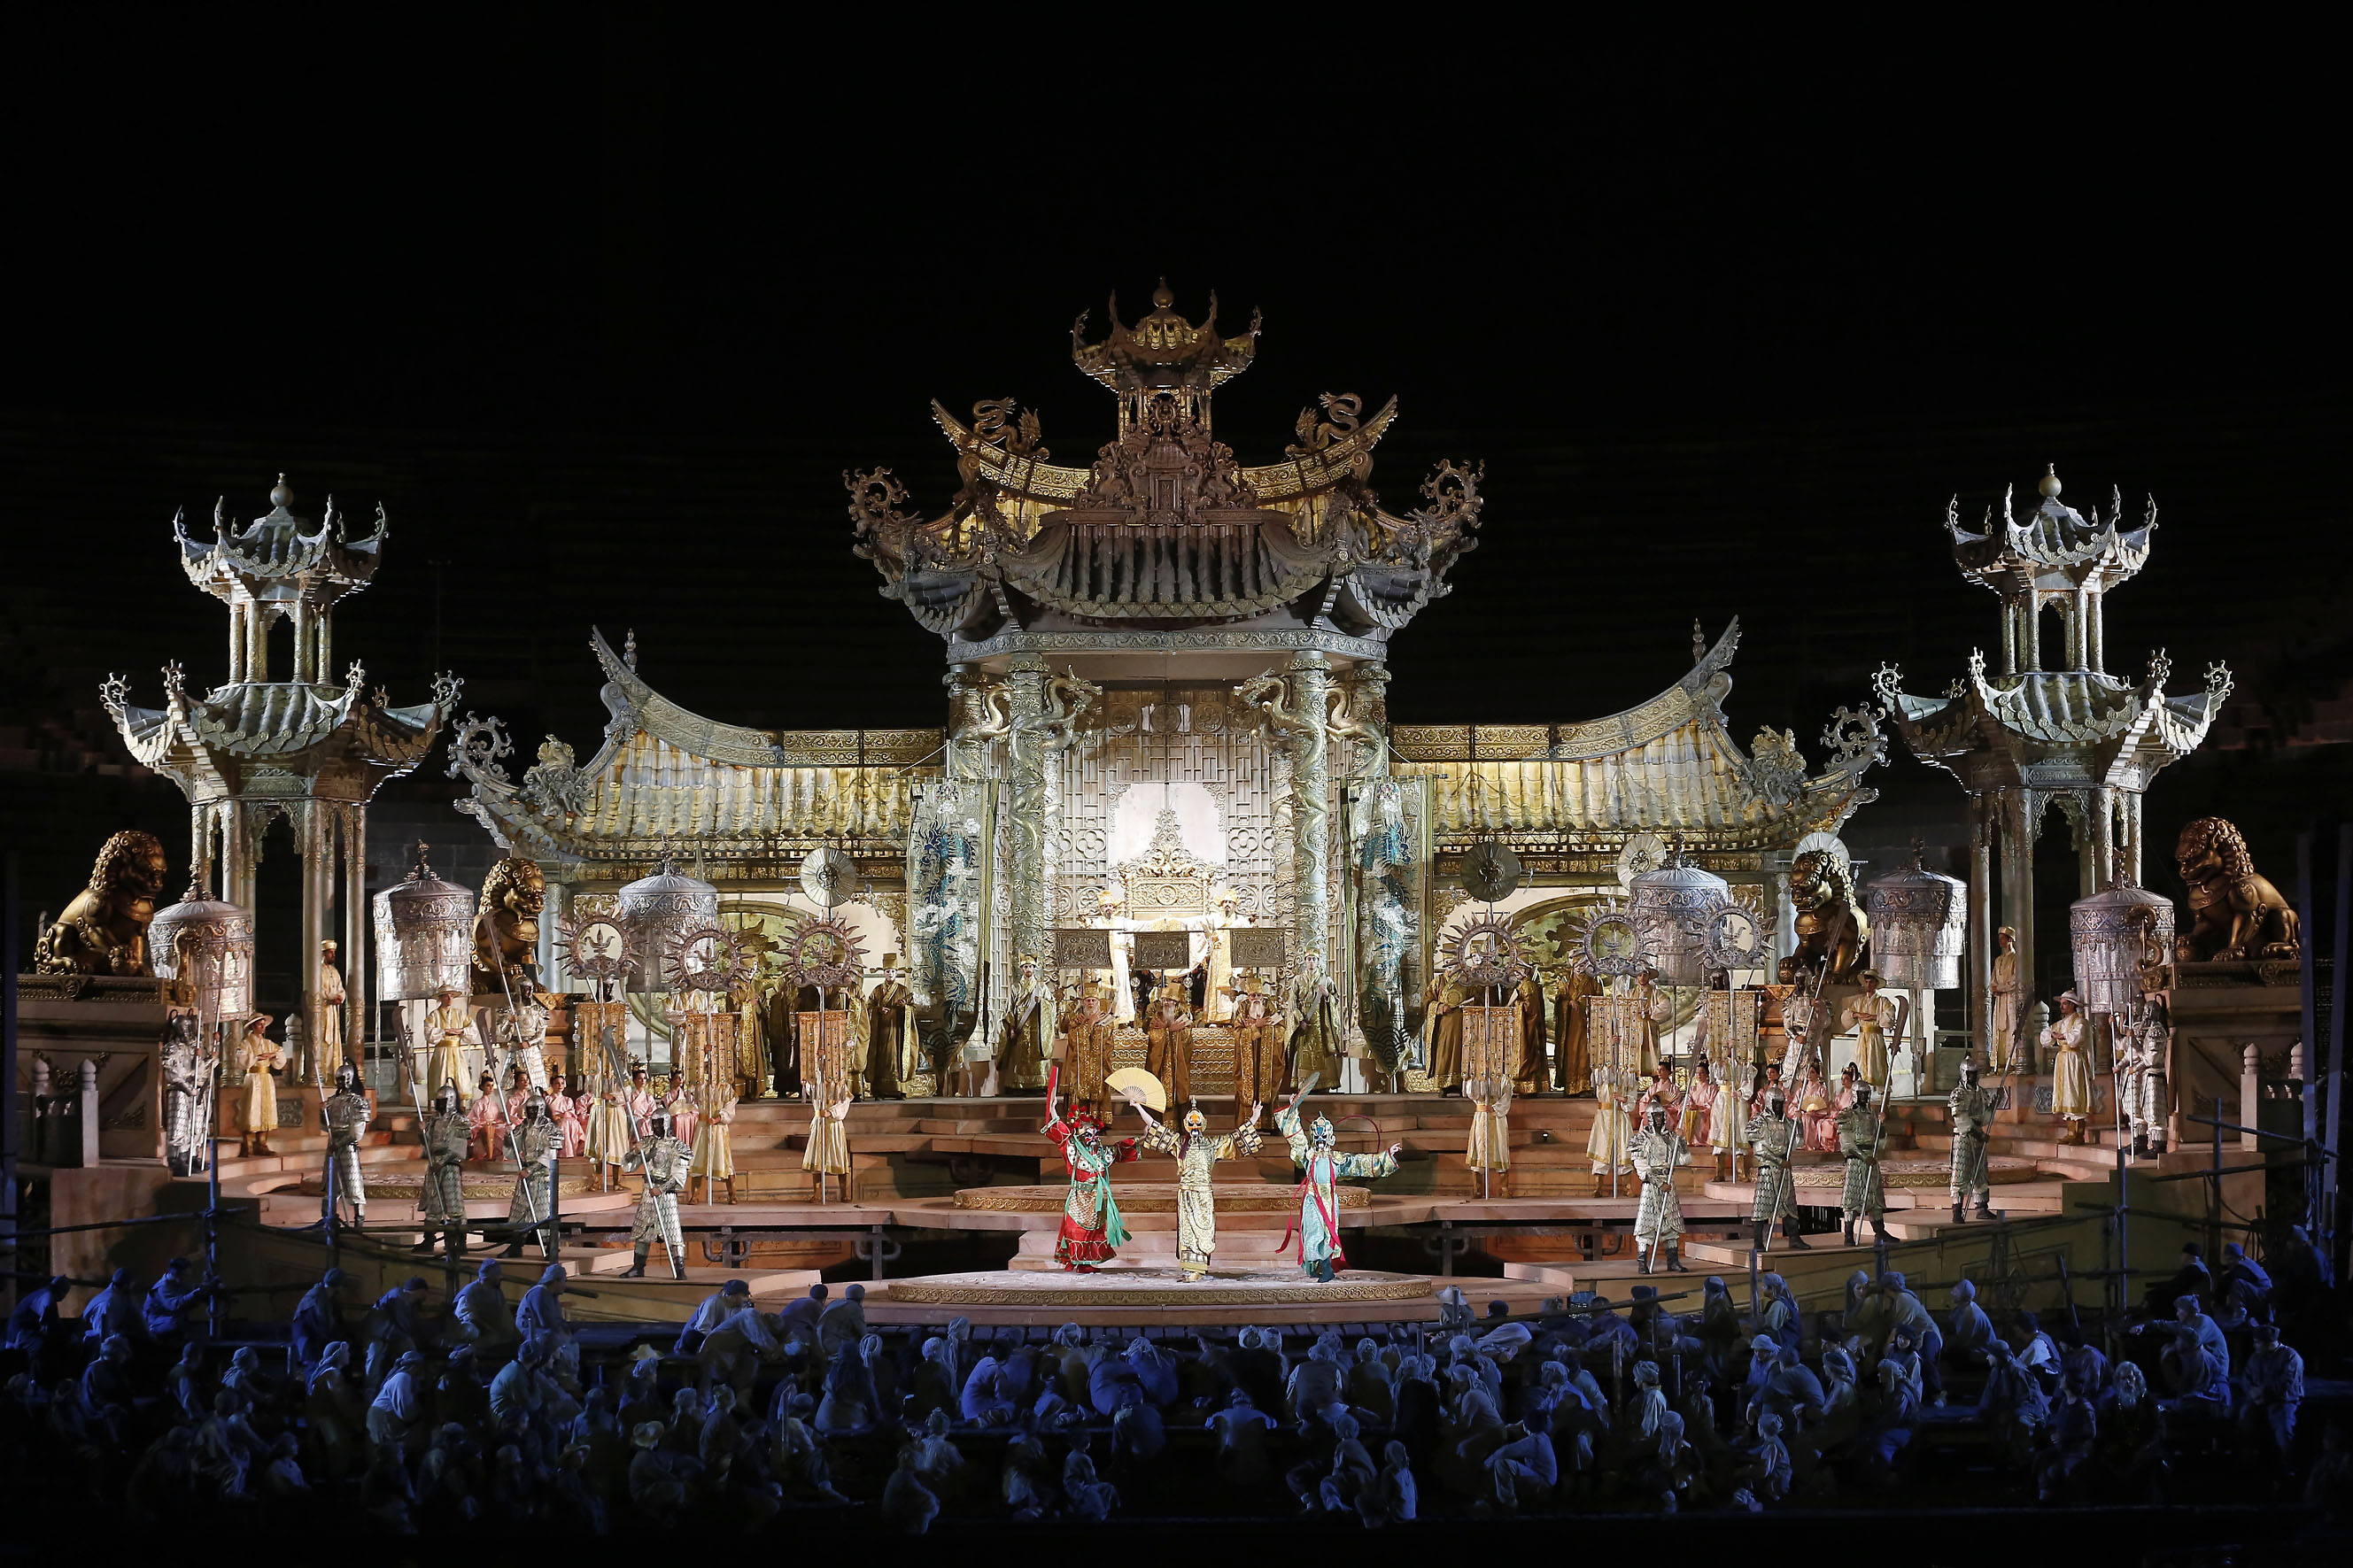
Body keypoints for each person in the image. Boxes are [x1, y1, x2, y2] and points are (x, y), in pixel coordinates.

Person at [1275, 1087, 1402, 1281]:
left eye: (1324, 1138)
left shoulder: (1337, 1160)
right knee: (1313, 1233)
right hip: (1312, 1200)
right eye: (1317, 1138)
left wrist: (1386, 1156)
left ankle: (1325, 1265)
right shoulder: (1309, 1156)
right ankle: (1317, 1264)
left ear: (1331, 1139)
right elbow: (1296, 1138)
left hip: (1329, 1202)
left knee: (1328, 1235)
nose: (1320, 1142)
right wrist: (1293, 1110)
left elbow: (1360, 1163)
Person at [1132, 1099, 1263, 1279]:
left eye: (1198, 1123)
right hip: (1186, 1193)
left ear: (1204, 1124)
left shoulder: (1213, 1144)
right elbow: (1154, 1126)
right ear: (1186, 1125)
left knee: (1203, 1229)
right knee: (1188, 1232)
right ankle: (1192, 1269)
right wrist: (1139, 1107)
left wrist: (1255, 1117)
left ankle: (1200, 1269)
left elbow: (1236, 1137)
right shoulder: (1178, 1143)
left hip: (1204, 1194)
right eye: (1191, 1123)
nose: (1195, 1126)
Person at [1042, 1070, 1140, 1271]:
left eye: (1092, 1129)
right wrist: (1053, 1110)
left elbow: (1121, 1150)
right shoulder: (1072, 1147)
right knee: (1074, 1227)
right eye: (1085, 1128)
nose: (1090, 1132)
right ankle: (1073, 1259)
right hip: (1079, 1195)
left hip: (1095, 1197)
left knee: (1094, 1230)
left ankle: (1086, 1262)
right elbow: (1060, 1131)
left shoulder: (1102, 1152)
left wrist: (1146, 1139)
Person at [622, 1108, 691, 1278]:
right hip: (648, 1193)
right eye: (653, 1123)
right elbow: (627, 1165)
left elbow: (679, 1176)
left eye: (659, 1123)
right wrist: (635, 1151)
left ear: (666, 1123)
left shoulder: (677, 1146)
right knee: (642, 1232)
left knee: (673, 1232)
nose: (655, 1127)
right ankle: (638, 1267)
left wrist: (661, 1189)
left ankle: (679, 1268)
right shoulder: (647, 1142)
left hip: (665, 1195)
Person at [414, 1080, 471, 1259]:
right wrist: (423, 1132)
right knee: (433, 1204)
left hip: (449, 1165)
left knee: (454, 1206)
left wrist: (444, 1161)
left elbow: (459, 1148)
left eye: (442, 1101)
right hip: (434, 1165)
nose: (439, 1105)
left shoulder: (459, 1121)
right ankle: (428, 1240)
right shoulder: (433, 1120)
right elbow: (427, 1143)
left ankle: (459, 1242)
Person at [501, 1089, 559, 1259]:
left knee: (542, 1213)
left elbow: (550, 1153)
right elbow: (513, 1149)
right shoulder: (524, 1127)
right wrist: (508, 1136)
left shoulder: (550, 1128)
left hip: (541, 1175)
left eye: (535, 1110)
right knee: (519, 1212)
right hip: (525, 1174)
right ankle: (516, 1245)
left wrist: (532, 1169)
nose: (532, 1113)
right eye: (529, 1110)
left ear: (541, 1109)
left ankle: (550, 1247)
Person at [1947, 1055, 2006, 1222]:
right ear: (1963, 1073)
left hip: (1978, 1138)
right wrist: (1977, 1133)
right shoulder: (1958, 1094)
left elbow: (1983, 1117)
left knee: (1980, 1174)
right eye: (1969, 1073)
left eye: (1974, 1073)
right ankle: (1957, 1211)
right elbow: (1960, 1118)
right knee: (1960, 1174)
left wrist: (1994, 1105)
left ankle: (1981, 1208)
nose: (1972, 1076)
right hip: (1964, 1138)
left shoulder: (1981, 1093)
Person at [1631, 1102, 1687, 1273]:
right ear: (1649, 1117)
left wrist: (1681, 1141)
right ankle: (1642, 1263)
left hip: (1668, 1183)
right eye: (1655, 1116)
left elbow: (1684, 1160)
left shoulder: (1670, 1137)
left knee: (1671, 1224)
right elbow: (1640, 1166)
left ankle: (1673, 1261)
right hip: (1652, 1186)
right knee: (1646, 1225)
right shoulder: (1641, 1138)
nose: (1658, 1119)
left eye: (1660, 1115)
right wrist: (1658, 1183)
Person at [1747, 1089, 1806, 1250]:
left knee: (1789, 1204)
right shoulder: (1759, 1121)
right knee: (1762, 1206)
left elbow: (1797, 1142)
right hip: (1768, 1168)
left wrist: (1799, 1123)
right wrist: (1779, 1161)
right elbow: (1760, 1150)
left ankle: (1794, 1238)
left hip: (1784, 1168)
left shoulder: (1786, 1122)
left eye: (1781, 1103)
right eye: (1776, 1103)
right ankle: (1758, 1242)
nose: (1779, 1107)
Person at [320, 1060, 371, 1227]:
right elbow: (325, 1126)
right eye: (339, 1079)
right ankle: (329, 1218)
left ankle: (359, 1220)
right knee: (330, 1185)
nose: (341, 1082)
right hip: (332, 1145)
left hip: (347, 1146)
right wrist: (322, 1112)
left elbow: (356, 1132)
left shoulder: (358, 1102)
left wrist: (340, 1143)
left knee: (353, 1183)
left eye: (344, 1079)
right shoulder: (331, 1101)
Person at [1837, 1080, 1887, 1247]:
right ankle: (1849, 1235)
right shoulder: (1848, 1114)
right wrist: (1863, 1157)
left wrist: (1882, 1125)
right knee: (1851, 1199)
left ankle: (1880, 1232)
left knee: (1875, 1198)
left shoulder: (1873, 1114)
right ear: (1855, 1095)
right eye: (1862, 1094)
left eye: (1867, 1093)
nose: (1865, 1097)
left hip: (1871, 1157)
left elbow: (1880, 1140)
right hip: (1857, 1160)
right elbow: (1846, 1142)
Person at [1227, 970, 1284, 1108]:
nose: (1256, 998)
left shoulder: (1270, 1008)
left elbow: (1281, 1029)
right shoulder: (1242, 1009)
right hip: (1248, 1058)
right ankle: (1247, 1122)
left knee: (1267, 1086)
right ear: (1248, 996)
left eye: (1259, 995)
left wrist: (1267, 1029)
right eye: (1253, 996)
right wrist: (1255, 1027)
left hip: (1268, 1057)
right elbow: (1236, 1033)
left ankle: (1268, 1124)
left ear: (1263, 996)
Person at [994, 954, 1049, 1093]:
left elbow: (1051, 1005)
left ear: (1034, 968)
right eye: (1025, 967)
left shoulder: (1042, 987)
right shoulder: (1015, 988)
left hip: (1037, 1030)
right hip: (1020, 1029)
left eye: (1030, 966)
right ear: (1022, 969)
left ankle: (1038, 1085)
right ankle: (1017, 1085)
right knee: (1019, 1058)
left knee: (1036, 1059)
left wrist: (1042, 1002)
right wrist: (1011, 1028)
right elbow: (1009, 1010)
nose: (1028, 969)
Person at [1839, 969, 1903, 1091]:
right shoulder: (1860, 1001)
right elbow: (1845, 1016)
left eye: (1871, 982)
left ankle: (1883, 1099)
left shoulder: (1882, 1001)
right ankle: (1859, 1097)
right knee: (1859, 1065)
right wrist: (1857, 1015)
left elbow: (1889, 1017)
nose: (1868, 985)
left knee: (1878, 1065)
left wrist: (1875, 1017)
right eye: (1866, 982)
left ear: (1876, 984)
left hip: (1876, 1037)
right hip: (1862, 1038)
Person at [2042, 991, 2093, 1143]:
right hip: (2062, 1060)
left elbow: (2076, 1037)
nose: (2061, 1007)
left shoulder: (2080, 1022)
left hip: (2074, 1060)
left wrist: (2062, 1036)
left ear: (2072, 1005)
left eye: (2064, 1003)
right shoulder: (2060, 1024)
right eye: (2061, 1003)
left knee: (2075, 1092)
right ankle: (2071, 1132)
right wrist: (2053, 1036)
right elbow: (2045, 1036)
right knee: (2064, 1092)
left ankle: (2079, 1134)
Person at [1288, 955, 1343, 1092]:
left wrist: (1326, 995)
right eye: (1308, 959)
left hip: (1321, 1021)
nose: (1311, 961)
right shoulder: (1297, 980)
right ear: (1304, 961)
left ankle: (1324, 1082)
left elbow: (1336, 1000)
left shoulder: (1326, 980)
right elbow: (1292, 1003)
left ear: (1318, 961)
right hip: (1303, 1022)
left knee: (1322, 1050)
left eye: (1314, 959)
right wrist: (1299, 1019)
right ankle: (1303, 1083)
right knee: (1304, 1052)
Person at [236, 1013, 283, 1157]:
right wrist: (256, 1057)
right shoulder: (246, 1043)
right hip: (253, 1078)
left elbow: (280, 1057)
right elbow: (241, 1060)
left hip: (265, 1078)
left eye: (264, 1024)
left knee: (266, 1109)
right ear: (253, 1026)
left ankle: (262, 1144)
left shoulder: (268, 1043)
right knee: (251, 1108)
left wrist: (273, 1056)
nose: (262, 1027)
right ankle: (248, 1144)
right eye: (259, 1024)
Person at [1143, 979, 1196, 1105]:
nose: (1167, 1003)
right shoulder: (1156, 1015)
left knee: (1179, 1090)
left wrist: (1173, 1031)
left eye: (1170, 1000)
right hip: (1159, 1065)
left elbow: (1187, 1038)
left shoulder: (1182, 1015)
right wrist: (1168, 1031)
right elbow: (1151, 1034)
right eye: (1164, 1000)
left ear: (1176, 1003)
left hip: (1178, 1063)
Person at [689, 1077, 739, 1203]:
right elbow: (690, 1098)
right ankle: (695, 1195)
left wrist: (718, 1119)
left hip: (718, 1129)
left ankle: (732, 1194)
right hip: (702, 1126)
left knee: (723, 1160)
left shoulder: (726, 1088)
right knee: (698, 1159)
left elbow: (730, 1109)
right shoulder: (700, 1086)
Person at [289, 1267, 347, 1371]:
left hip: (314, 1341)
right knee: (313, 1369)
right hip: (308, 1343)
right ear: (339, 1286)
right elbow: (318, 1325)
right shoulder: (315, 1298)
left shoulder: (328, 1299)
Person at [1587, 1063, 1633, 1194]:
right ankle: (1598, 1186)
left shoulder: (1628, 1073)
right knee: (1602, 1150)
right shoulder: (1600, 1071)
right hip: (1604, 1118)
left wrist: (1623, 1099)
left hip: (1620, 1116)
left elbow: (1632, 1100)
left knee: (1623, 1150)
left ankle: (1627, 1187)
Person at [424, 984, 473, 1106]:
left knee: (460, 1077)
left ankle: (461, 1106)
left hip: (456, 1050)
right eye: (446, 996)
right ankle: (442, 1105)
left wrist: (462, 1031)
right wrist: (444, 1031)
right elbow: (429, 1032)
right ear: (441, 998)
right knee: (441, 1076)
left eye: (451, 996)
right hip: (442, 1051)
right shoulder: (434, 1015)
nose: (450, 999)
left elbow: (472, 1029)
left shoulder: (460, 1014)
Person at [1423, 971, 1467, 1093]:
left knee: (1459, 1052)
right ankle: (1442, 1083)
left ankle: (1459, 1082)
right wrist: (1440, 1007)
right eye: (1447, 962)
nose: (1450, 966)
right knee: (1444, 1051)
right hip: (1443, 1024)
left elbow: (1476, 999)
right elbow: (1427, 1001)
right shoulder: (1438, 981)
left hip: (1461, 1024)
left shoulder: (1465, 980)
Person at [1990, 924, 2024, 1069]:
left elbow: (2016, 979)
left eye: (2003, 939)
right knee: (1998, 1027)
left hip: (2010, 998)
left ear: (2010, 940)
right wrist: (1993, 988)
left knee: (2011, 1026)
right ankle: (2000, 1063)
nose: (2000, 941)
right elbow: (1993, 979)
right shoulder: (1998, 960)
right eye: (1999, 939)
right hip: (2000, 999)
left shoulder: (2016, 958)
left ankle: (2013, 1061)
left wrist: (2002, 988)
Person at [467, 1070, 508, 1161]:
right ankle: (488, 1155)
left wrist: (496, 1123)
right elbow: (473, 1119)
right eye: (488, 1086)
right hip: (482, 1129)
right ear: (482, 1087)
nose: (491, 1088)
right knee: (487, 1129)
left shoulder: (494, 1104)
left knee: (505, 1128)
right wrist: (485, 1124)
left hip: (494, 1127)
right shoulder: (478, 1103)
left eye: (492, 1086)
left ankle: (496, 1153)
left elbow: (498, 1119)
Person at [547, 1071, 588, 1159]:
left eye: (562, 1083)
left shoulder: (567, 1100)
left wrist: (561, 1115)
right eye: (557, 1083)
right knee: (563, 1124)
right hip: (552, 1121)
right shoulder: (548, 1099)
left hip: (566, 1120)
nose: (560, 1085)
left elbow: (570, 1113)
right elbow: (547, 1112)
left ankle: (570, 1150)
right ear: (552, 1085)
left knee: (569, 1123)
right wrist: (555, 1117)